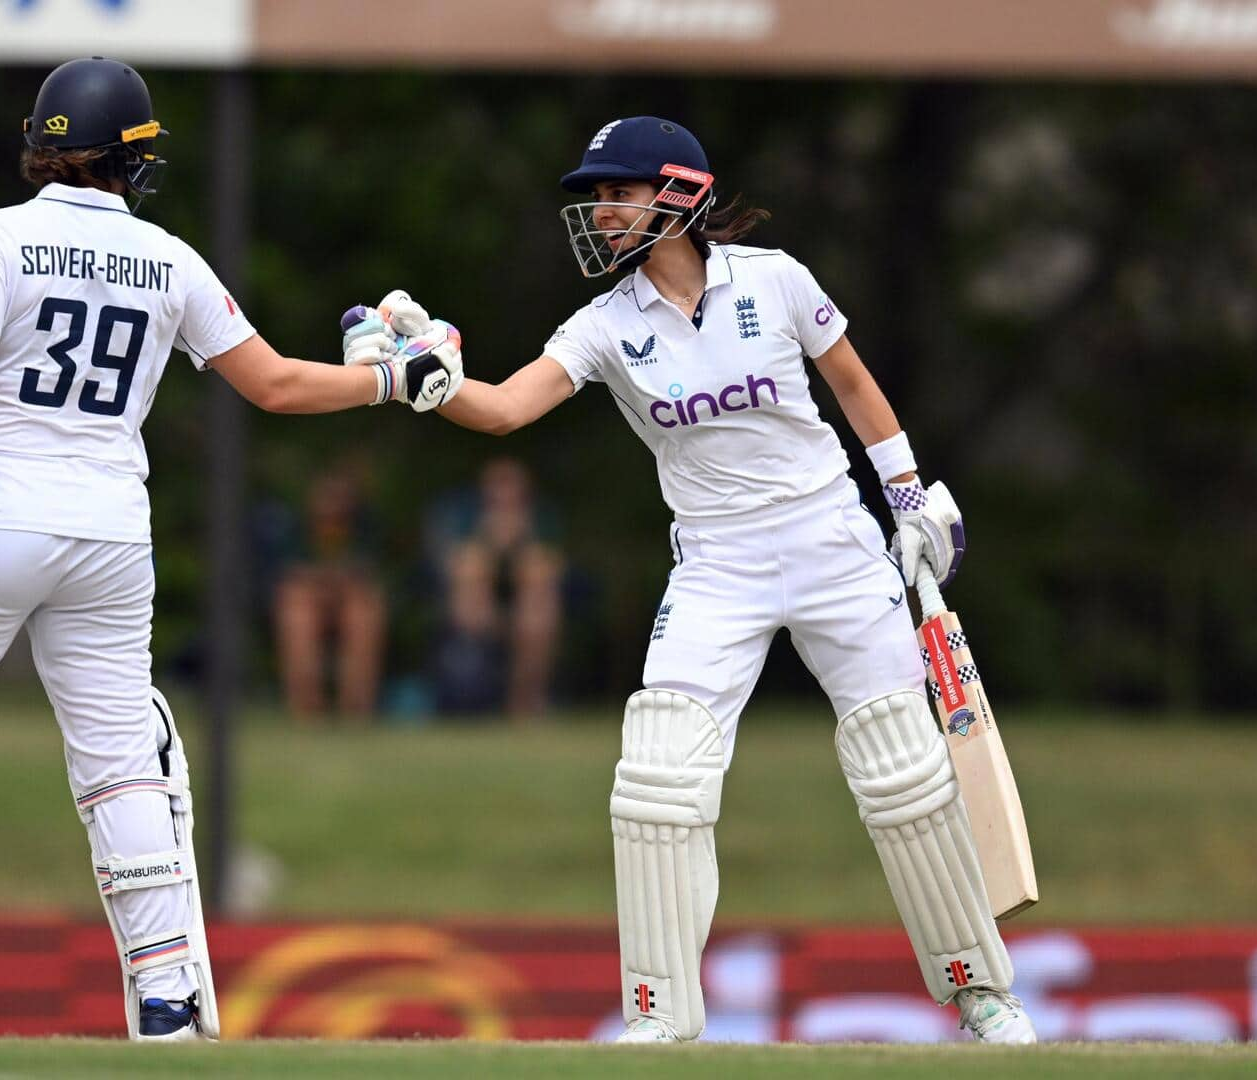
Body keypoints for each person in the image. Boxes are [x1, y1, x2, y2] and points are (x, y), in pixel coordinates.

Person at [368, 116, 1035, 1043]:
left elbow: (850, 380)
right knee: (657, 776)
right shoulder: (605, 326)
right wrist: (422, 379)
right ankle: (659, 1013)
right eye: (594, 198)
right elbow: (508, 407)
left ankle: (981, 994)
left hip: (833, 540)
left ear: (676, 194)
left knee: (903, 768)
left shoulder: (776, 278)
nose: (600, 213)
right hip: (718, 561)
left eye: (616, 192)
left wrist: (910, 497)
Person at [0, 57, 461, 1041]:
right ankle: (168, 994)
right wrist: (394, 380)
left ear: (42, 147)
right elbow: (277, 386)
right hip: (110, 539)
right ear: (130, 161)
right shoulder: (169, 260)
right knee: (122, 768)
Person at [428, 457, 563, 718]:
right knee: (471, 571)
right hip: (474, 608)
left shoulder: (540, 520)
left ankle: (523, 702)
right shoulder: (465, 517)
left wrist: (520, 542)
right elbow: (453, 565)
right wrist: (488, 540)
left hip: (526, 609)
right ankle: (473, 694)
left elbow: (550, 568)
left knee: (537, 602)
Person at [269, 463, 388, 720]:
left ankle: (355, 709)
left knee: (362, 614)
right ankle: (308, 709)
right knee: (297, 614)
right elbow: (288, 575)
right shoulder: (295, 528)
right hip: (308, 601)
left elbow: (369, 574)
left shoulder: (364, 527)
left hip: (350, 601)